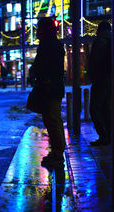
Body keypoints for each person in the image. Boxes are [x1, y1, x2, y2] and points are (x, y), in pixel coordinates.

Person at [33, 17, 66, 166]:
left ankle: (58, 155)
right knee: (52, 120)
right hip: (53, 87)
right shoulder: (52, 43)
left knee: (53, 120)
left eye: (39, 28)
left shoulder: (49, 45)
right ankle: (56, 152)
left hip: (50, 88)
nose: (37, 32)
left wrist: (45, 79)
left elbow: (45, 66)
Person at [88, 21, 112, 146]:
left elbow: (96, 61)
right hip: (109, 80)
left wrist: (92, 75)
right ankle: (108, 136)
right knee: (106, 109)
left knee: (95, 109)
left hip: (101, 79)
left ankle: (104, 136)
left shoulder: (101, 40)